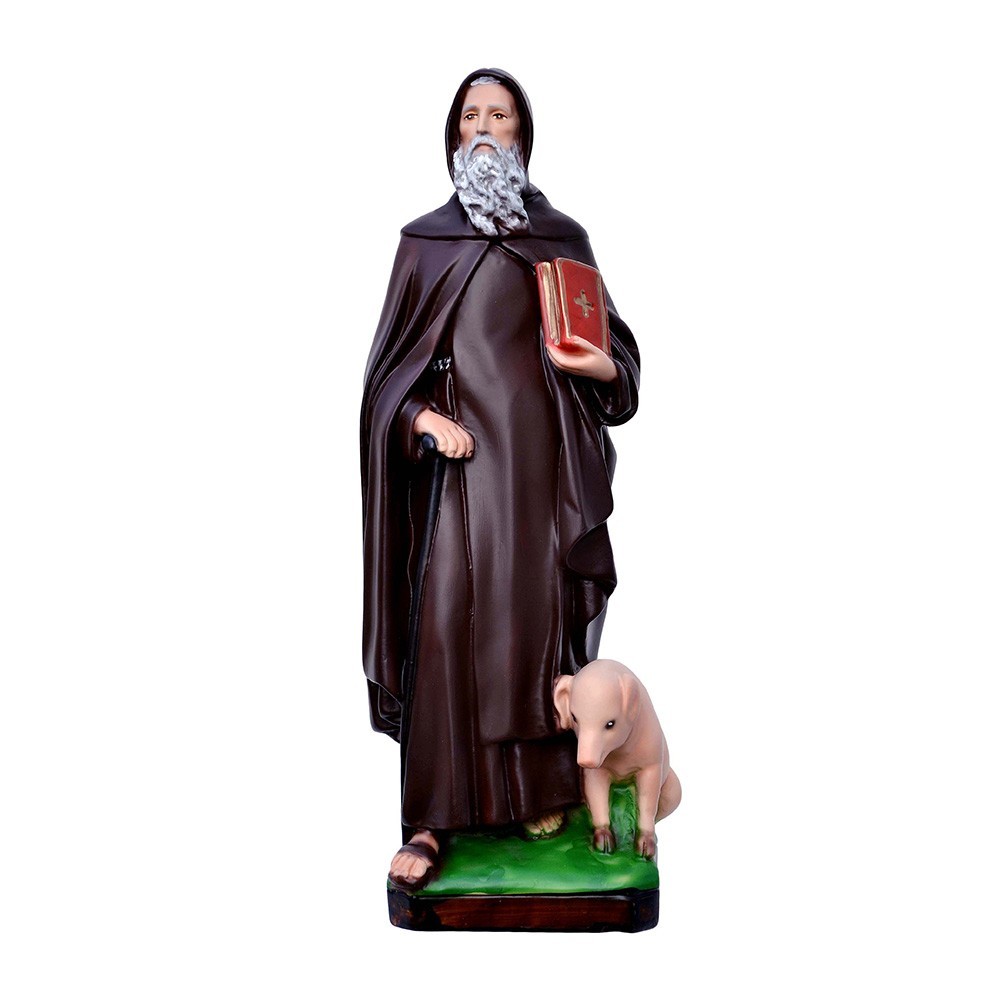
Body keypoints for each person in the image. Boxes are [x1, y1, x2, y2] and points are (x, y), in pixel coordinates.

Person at [360, 69, 640, 890]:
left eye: (502, 116)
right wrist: (420, 418)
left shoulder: (560, 237)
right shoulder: (425, 244)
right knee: (446, 629)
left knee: (534, 633)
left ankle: (538, 796)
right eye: (472, 116)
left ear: (523, 135)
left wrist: (597, 365)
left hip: (543, 481)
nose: (485, 129)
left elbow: (617, 357)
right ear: (455, 135)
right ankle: (432, 821)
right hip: (460, 478)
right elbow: (384, 380)